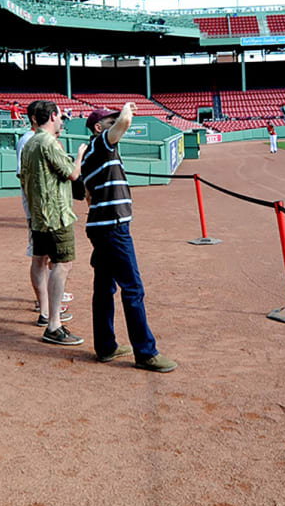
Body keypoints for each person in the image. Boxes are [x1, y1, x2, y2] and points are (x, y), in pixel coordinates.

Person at [81, 105, 175, 372]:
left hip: (101, 226)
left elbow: (88, 195)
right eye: (108, 121)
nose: (115, 124)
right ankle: (146, 353)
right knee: (133, 289)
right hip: (113, 227)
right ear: (99, 128)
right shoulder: (100, 146)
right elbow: (124, 123)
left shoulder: (95, 153)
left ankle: (106, 347)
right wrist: (124, 110)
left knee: (104, 288)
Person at [19, 101, 85, 346]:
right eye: (60, 117)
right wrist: (79, 155)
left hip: (39, 215)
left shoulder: (29, 142)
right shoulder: (47, 142)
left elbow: (24, 179)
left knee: (41, 260)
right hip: (57, 214)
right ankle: (54, 324)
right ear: (53, 116)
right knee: (62, 264)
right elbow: (73, 174)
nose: (61, 121)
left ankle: (47, 313)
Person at [18, 103, 70, 325]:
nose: (61, 121)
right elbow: (25, 178)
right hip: (41, 210)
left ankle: (47, 304)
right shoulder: (30, 140)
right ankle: (45, 307)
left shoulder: (37, 140)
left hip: (42, 208)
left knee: (45, 258)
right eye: (58, 116)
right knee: (43, 259)